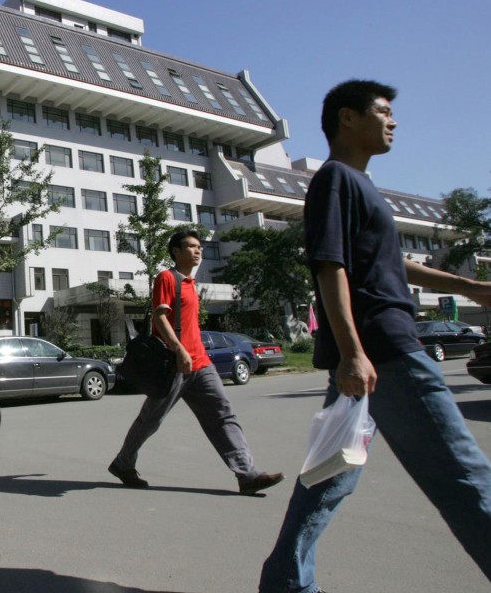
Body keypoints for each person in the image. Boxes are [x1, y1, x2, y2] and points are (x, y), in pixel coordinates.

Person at [258, 80, 491, 592]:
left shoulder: (361, 187)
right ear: (347, 118)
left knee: (328, 478)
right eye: (383, 111)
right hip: (384, 351)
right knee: (465, 475)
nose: (394, 121)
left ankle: (285, 585)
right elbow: (330, 266)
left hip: (368, 355)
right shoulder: (336, 178)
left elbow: (396, 264)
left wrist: (472, 287)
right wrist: (352, 353)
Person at [109, 229, 285, 495]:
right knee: (151, 420)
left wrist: (192, 352)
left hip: (201, 363)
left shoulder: (192, 284)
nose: (198, 251)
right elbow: (160, 318)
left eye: (199, 247)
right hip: (174, 364)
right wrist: (179, 351)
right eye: (191, 246)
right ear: (176, 252)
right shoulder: (166, 278)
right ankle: (123, 463)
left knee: (223, 415)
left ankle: (247, 475)